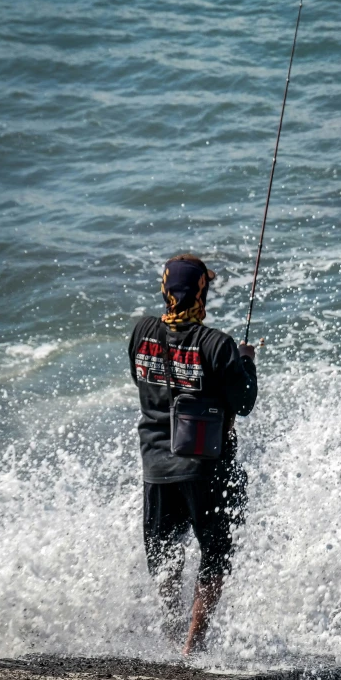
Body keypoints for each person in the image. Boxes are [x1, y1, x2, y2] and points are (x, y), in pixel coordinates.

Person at [128, 254, 257, 655]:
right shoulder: (218, 345)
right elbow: (246, 401)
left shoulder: (140, 332)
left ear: (166, 290)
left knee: (165, 557)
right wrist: (247, 362)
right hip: (206, 469)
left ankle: (170, 635)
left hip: (156, 466)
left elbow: (144, 381)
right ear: (201, 291)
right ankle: (192, 646)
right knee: (214, 555)